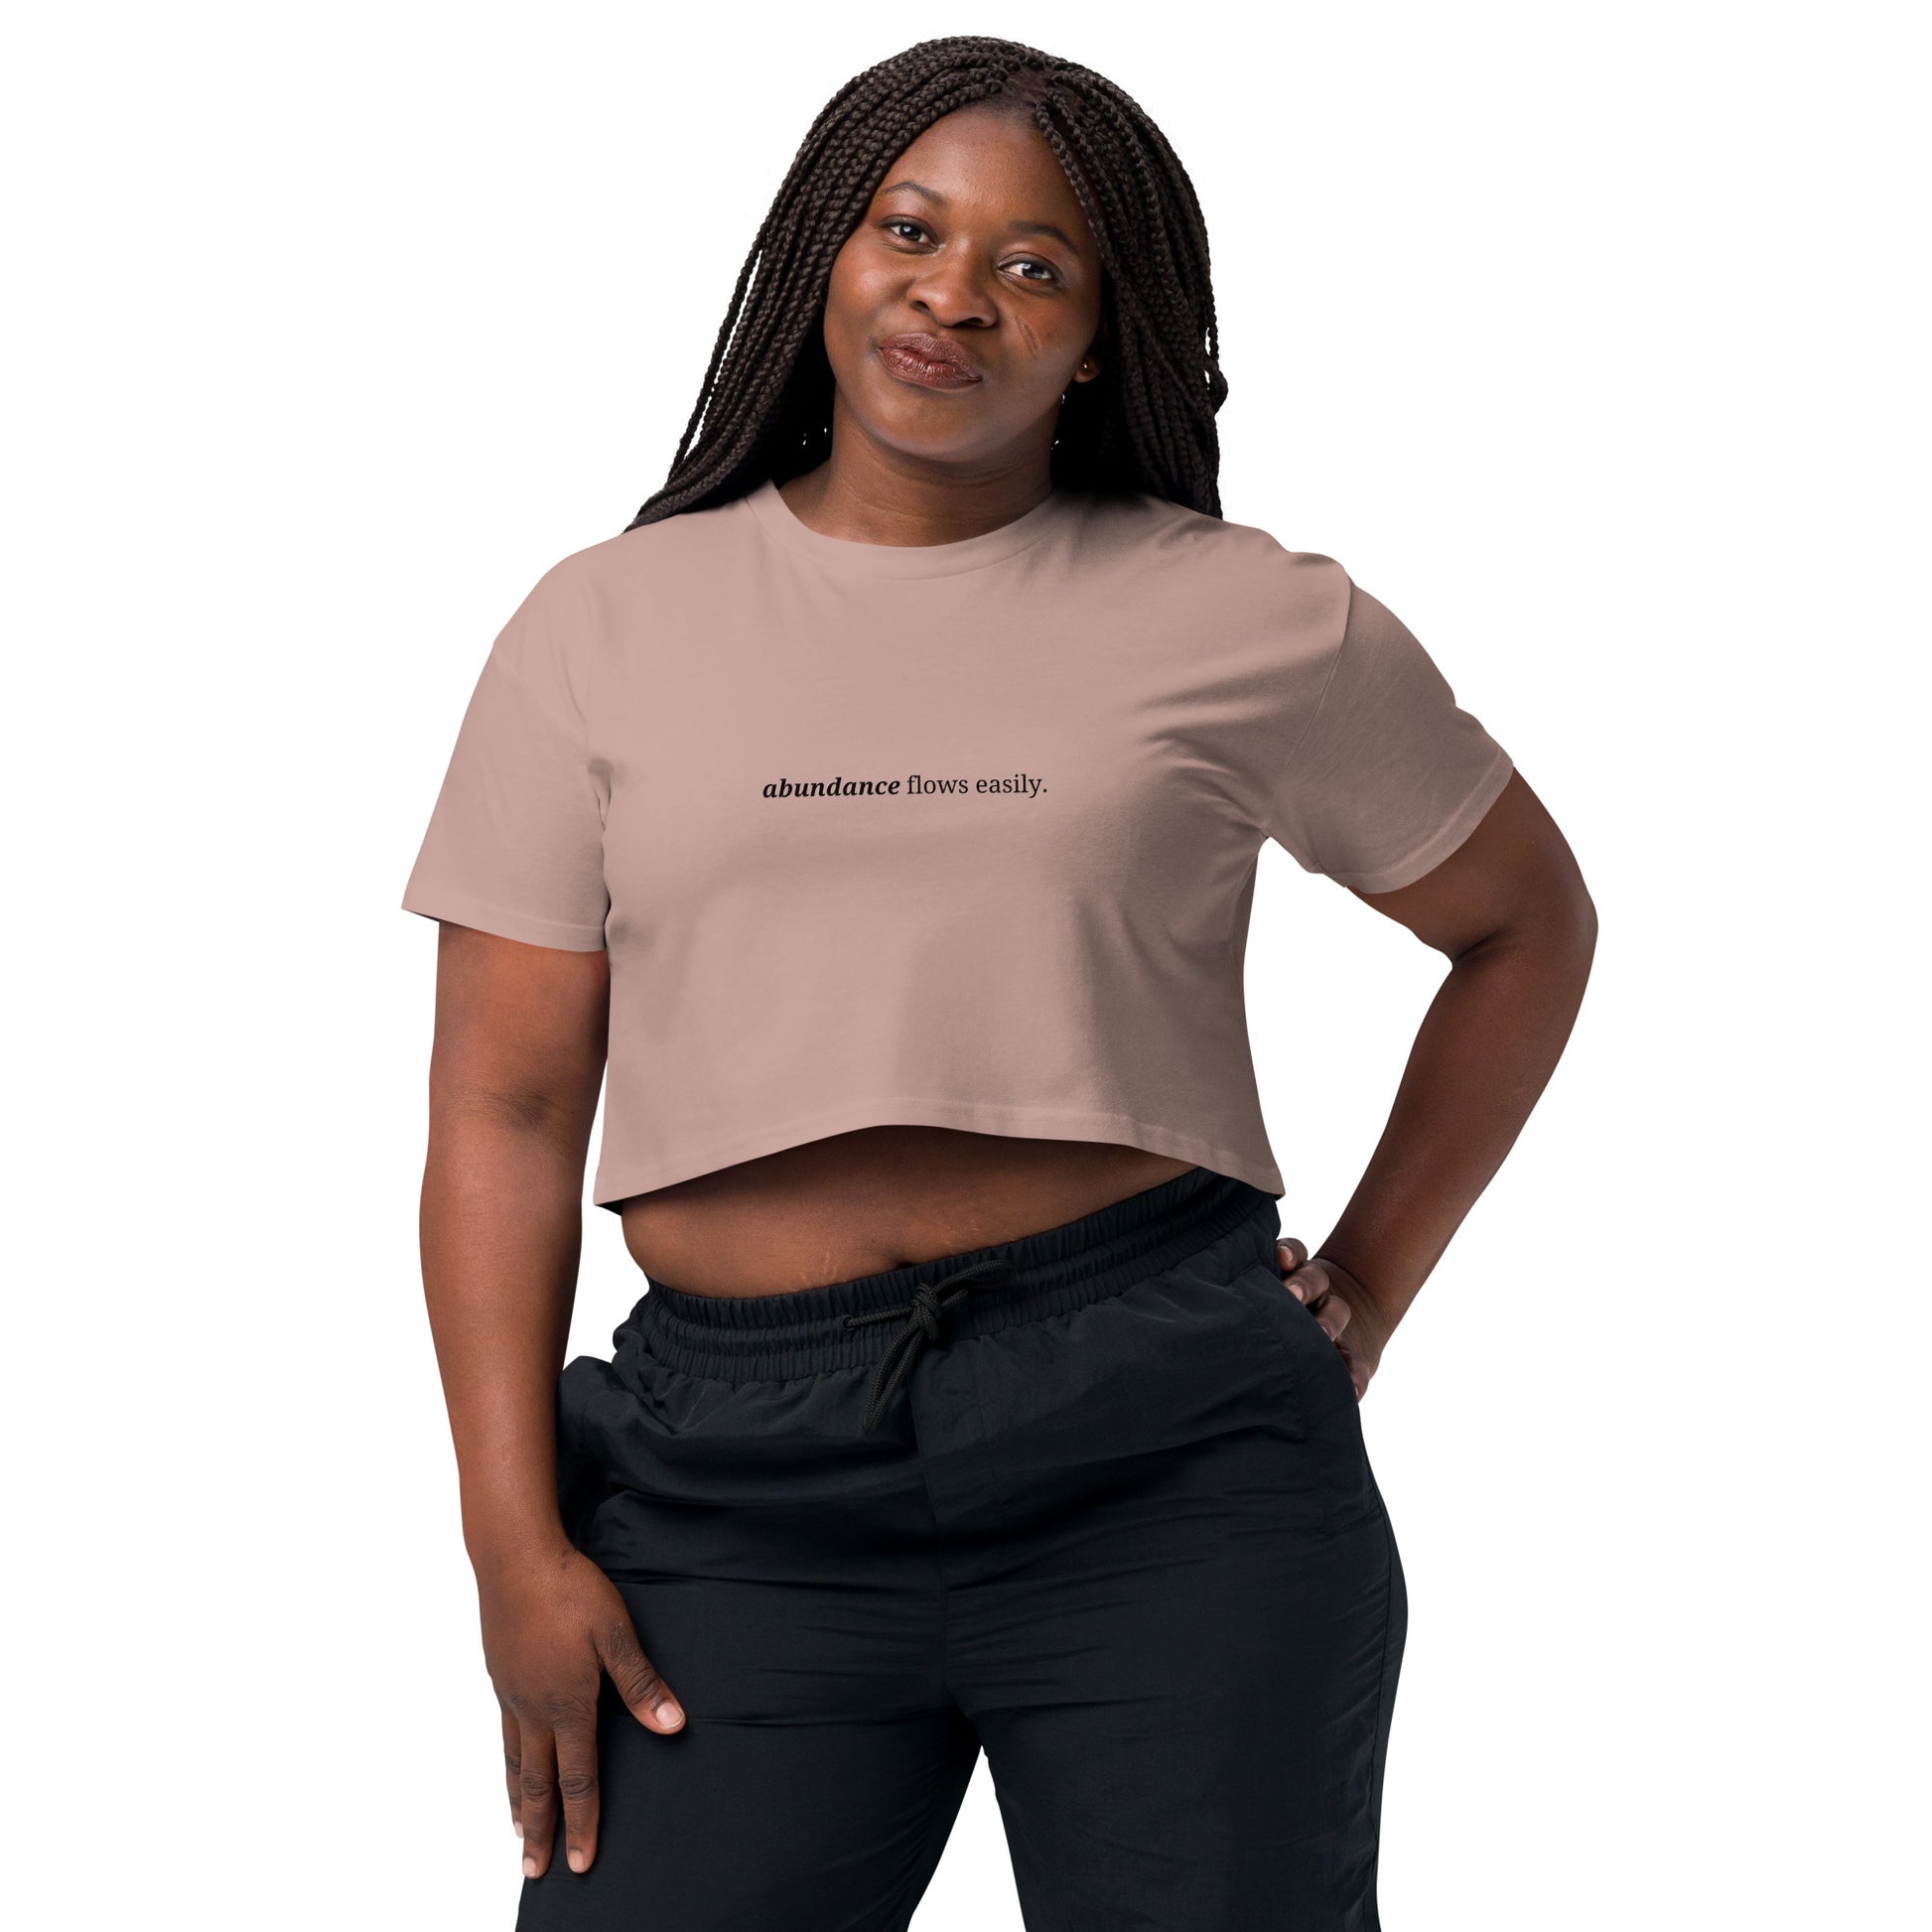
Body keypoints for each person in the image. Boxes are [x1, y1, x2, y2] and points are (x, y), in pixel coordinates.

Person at [403, 35, 1596, 1932]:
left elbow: (1526, 924)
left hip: (1168, 1452)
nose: (954, 291)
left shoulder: (1250, 617)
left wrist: (1366, 1281)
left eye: (1034, 264)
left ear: (1108, 336)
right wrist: (506, 1531)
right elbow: (507, 1105)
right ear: (826, 258)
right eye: (911, 229)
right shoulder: (600, 626)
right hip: (729, 1488)